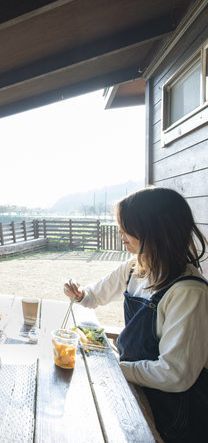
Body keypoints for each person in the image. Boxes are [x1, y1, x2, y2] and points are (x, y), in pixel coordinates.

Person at [63, 187, 208, 442]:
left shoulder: (188, 292)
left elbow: (174, 375)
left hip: (172, 412)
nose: (120, 232)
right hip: (136, 386)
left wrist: (116, 368)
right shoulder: (135, 267)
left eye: (126, 226)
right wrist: (78, 293)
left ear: (154, 230)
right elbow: (94, 295)